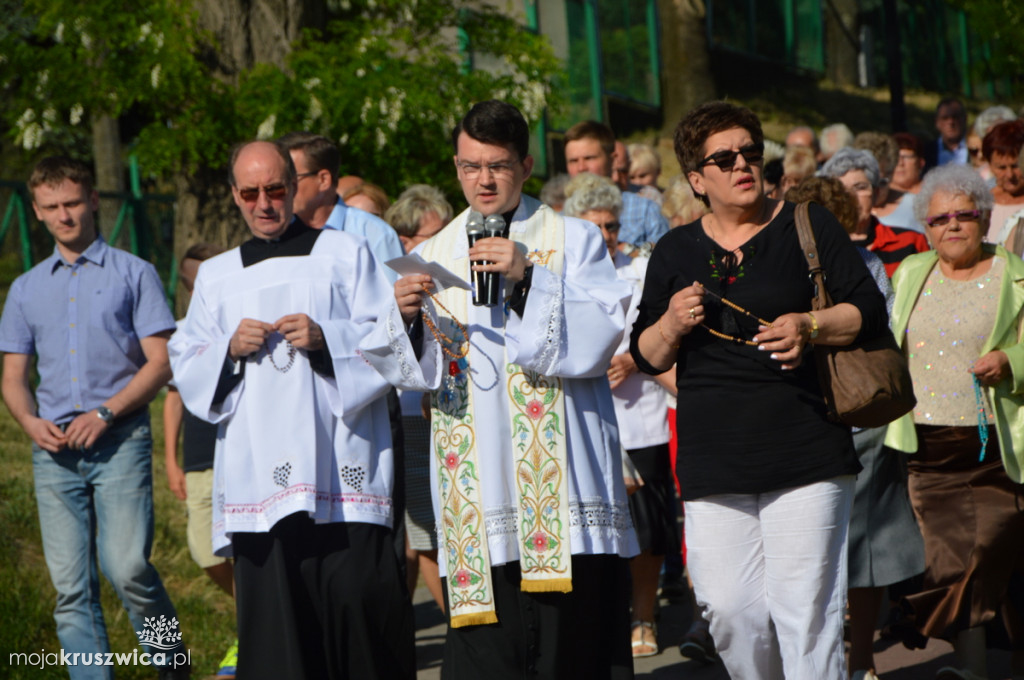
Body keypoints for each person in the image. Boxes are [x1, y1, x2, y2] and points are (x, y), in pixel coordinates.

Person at [360, 100, 639, 680]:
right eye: (469, 166)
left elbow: (600, 336)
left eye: (498, 165)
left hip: (561, 489)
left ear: (527, 163)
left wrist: (528, 278)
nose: (482, 180)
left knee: (570, 651)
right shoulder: (432, 254)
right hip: (477, 486)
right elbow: (410, 373)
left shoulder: (574, 238)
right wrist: (406, 318)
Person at [629, 101, 888, 679]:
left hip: (807, 446)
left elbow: (869, 311)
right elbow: (647, 355)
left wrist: (809, 324)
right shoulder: (675, 251)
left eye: (751, 152)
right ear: (697, 179)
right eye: (724, 158)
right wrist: (671, 323)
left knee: (807, 613)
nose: (743, 164)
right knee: (729, 610)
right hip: (714, 458)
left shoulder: (808, 224)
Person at [167, 140, 415, 680]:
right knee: (279, 642)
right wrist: (227, 350)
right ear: (234, 195)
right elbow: (185, 363)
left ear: (295, 186)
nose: (264, 202)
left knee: (359, 630)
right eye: (250, 192)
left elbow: (394, 344)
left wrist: (329, 339)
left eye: (276, 188)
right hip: (260, 486)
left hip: (342, 476)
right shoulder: (217, 276)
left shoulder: (345, 253)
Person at [0, 156, 188, 679]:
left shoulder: (135, 273)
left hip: (119, 440)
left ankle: (172, 663)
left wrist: (107, 412)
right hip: (53, 451)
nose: (64, 216)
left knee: (128, 569)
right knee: (70, 589)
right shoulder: (25, 289)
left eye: (73, 203)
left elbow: (162, 360)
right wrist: (29, 423)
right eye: (51, 207)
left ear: (94, 201)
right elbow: (13, 376)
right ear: (36, 211)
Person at [884, 163, 1024, 680]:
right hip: (927, 446)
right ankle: (970, 670)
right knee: (949, 563)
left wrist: (1010, 361)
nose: (953, 226)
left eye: (965, 215)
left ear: (985, 219)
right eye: (941, 219)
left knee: (991, 554)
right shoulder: (910, 273)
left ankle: (945, 638)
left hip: (995, 443)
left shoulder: (1013, 273)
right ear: (926, 228)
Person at [786, 176, 925, 680]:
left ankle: (857, 656)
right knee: (846, 545)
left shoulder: (861, 266)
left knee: (859, 545)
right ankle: (850, 658)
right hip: (833, 414)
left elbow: (878, 325)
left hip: (850, 411)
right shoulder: (802, 266)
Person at [563, 174, 677, 659]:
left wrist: (631, 360)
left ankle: (644, 618)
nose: (606, 236)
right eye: (595, 227)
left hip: (640, 419)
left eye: (611, 226)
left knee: (647, 530)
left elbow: (664, 334)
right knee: (587, 529)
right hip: (579, 425)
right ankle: (598, 621)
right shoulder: (558, 275)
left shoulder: (641, 269)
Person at [163, 243, 237, 678]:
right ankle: (258, 613)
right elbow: (173, 401)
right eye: (190, 281)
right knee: (203, 553)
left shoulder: (242, 323)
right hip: (196, 458)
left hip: (234, 455)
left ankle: (252, 636)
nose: (198, 288)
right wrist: (170, 460)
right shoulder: (180, 333)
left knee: (246, 552)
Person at [383, 183, 454, 612]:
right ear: (405, 242)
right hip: (412, 414)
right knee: (427, 531)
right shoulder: (393, 282)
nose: (440, 243)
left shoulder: (451, 273)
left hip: (454, 410)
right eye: (430, 236)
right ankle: (456, 626)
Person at [278, 132, 404, 275]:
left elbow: (393, 295)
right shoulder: (277, 234)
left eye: (292, 179)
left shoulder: (375, 235)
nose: (284, 189)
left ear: (324, 180)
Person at [821, 147, 930, 277]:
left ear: (876, 193)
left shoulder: (911, 241)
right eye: (842, 191)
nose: (851, 198)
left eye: (860, 187)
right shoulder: (821, 247)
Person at [564, 120, 669, 249]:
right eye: (573, 161)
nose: (581, 168)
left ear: (612, 160)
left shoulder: (645, 210)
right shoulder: (559, 218)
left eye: (589, 158)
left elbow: (667, 260)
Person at [982, 120, 1024, 243]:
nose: (1010, 175)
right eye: (1001, 168)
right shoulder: (982, 203)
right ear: (989, 165)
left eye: (1015, 166)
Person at [926, 98, 969, 168]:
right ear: (937, 122)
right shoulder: (926, 152)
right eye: (945, 118)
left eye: (955, 117)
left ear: (965, 119)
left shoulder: (976, 149)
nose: (950, 122)